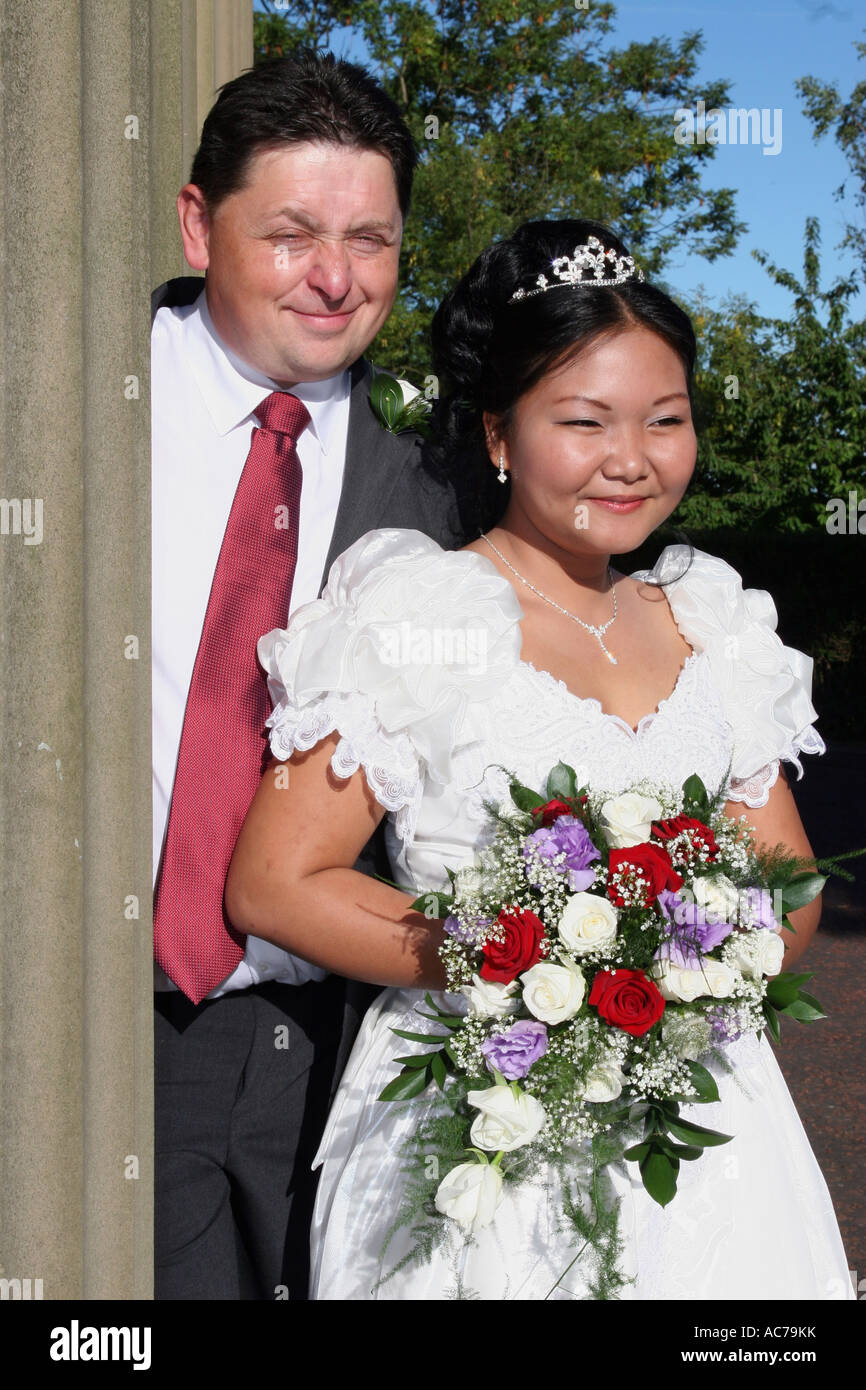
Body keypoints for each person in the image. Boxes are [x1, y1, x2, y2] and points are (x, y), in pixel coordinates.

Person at [225, 218, 853, 1300]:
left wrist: (700, 966)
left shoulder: (716, 625)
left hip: (699, 1110)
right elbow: (274, 883)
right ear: (499, 434)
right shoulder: (408, 612)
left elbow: (785, 881)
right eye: (584, 420)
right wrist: (512, 965)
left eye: (665, 420)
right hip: (475, 1117)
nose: (631, 459)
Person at [151, 50, 462, 1301]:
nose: (336, 278)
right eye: (290, 234)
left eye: (369, 239)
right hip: (67, 1017)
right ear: (196, 221)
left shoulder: (443, 498)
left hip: (318, 1053)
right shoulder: (54, 399)